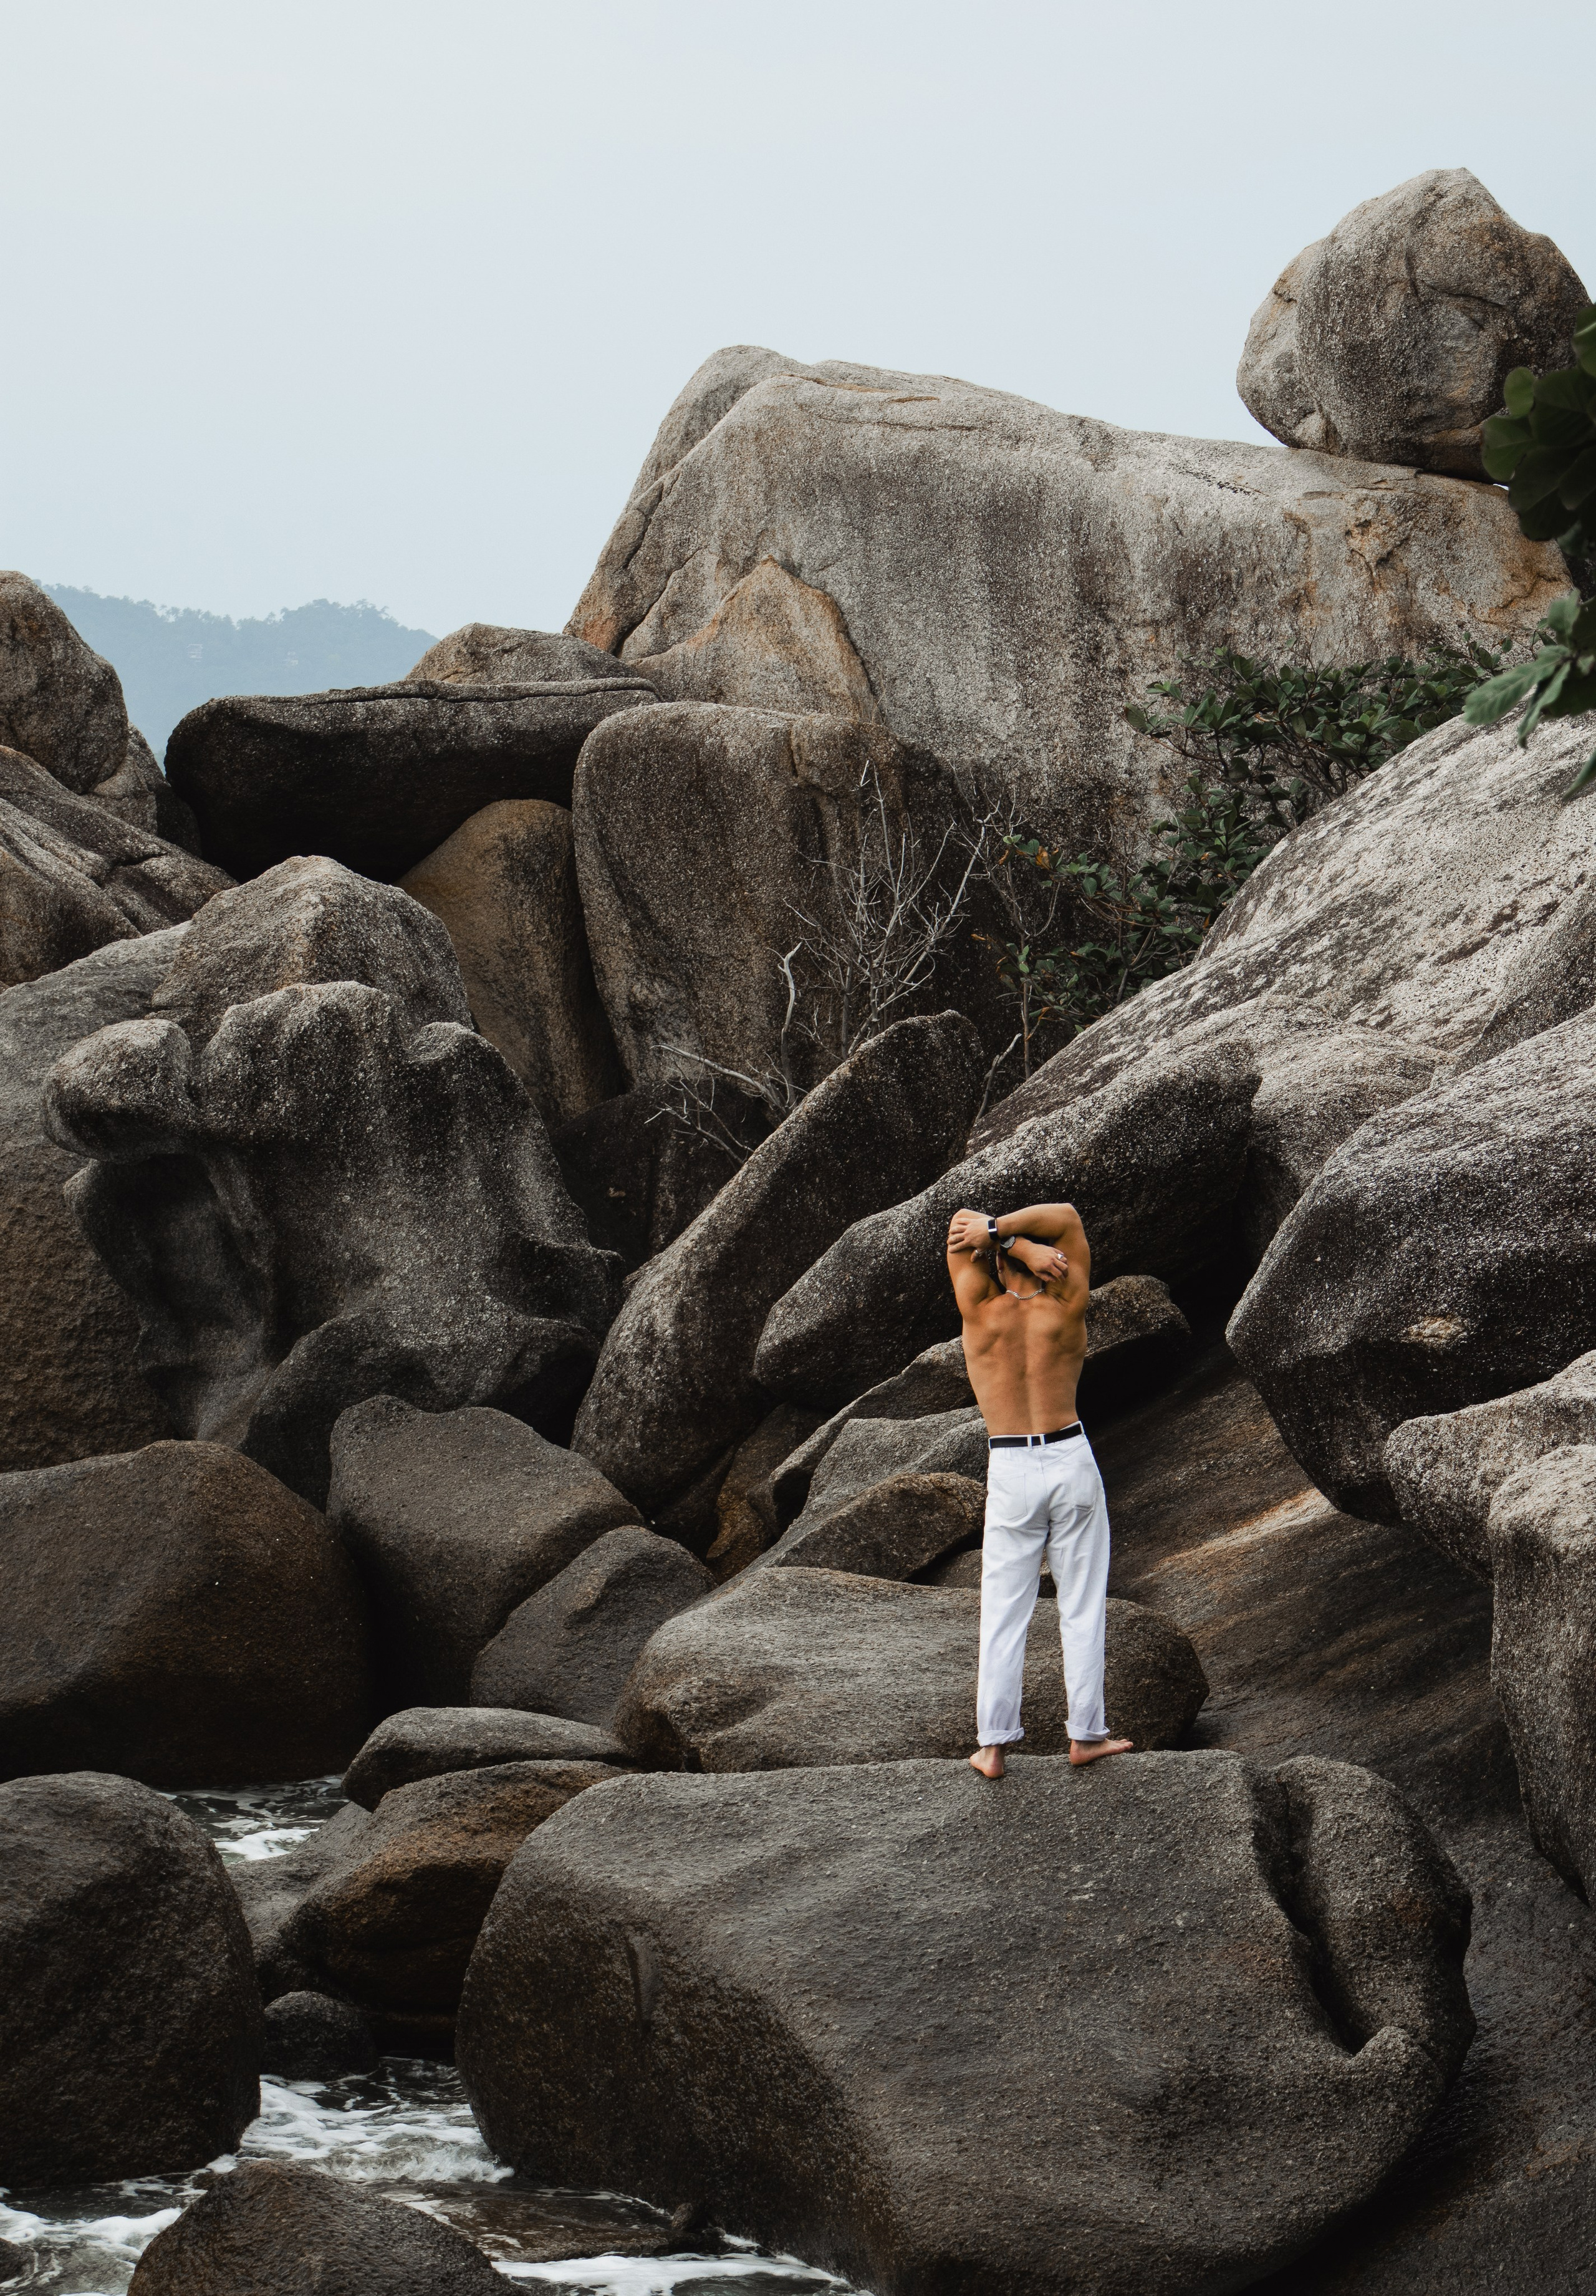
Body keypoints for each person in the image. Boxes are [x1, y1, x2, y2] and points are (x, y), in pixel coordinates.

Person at [946, 1201, 1132, 1781]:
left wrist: (1000, 1241)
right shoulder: (1066, 1301)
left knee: (1004, 1610)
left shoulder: (979, 1311)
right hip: (1071, 1456)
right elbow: (1069, 1216)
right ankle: (1087, 1735)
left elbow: (961, 1226)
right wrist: (1021, 1241)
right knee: (1082, 1603)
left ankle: (993, 1748)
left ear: (995, 1266)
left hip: (1011, 1466)